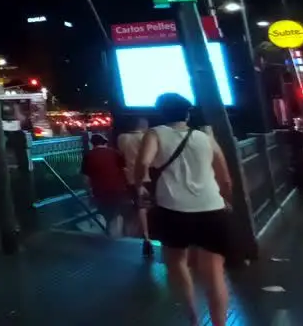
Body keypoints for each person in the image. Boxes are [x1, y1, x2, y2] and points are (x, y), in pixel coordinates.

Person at [135, 93, 233, 326]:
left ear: (161, 113)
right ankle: (220, 323)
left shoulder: (155, 133)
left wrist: (140, 185)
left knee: (176, 263)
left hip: (173, 211)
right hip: (212, 208)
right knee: (214, 273)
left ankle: (193, 318)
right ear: (187, 113)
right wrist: (226, 200)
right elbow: (225, 179)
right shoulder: (205, 137)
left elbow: (143, 163)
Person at [117, 116, 154, 257]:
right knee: (148, 206)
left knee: (140, 207)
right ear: (144, 126)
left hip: (131, 178)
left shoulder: (122, 138)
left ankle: (143, 235)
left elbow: (121, 155)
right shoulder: (146, 138)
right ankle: (149, 234)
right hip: (147, 177)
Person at [81, 133, 127, 236]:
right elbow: (124, 170)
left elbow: (86, 178)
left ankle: (108, 231)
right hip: (117, 188)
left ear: (92, 143)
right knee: (116, 211)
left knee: (105, 211)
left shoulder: (88, 156)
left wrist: (89, 192)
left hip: (99, 190)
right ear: (105, 142)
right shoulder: (115, 153)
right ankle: (115, 233)